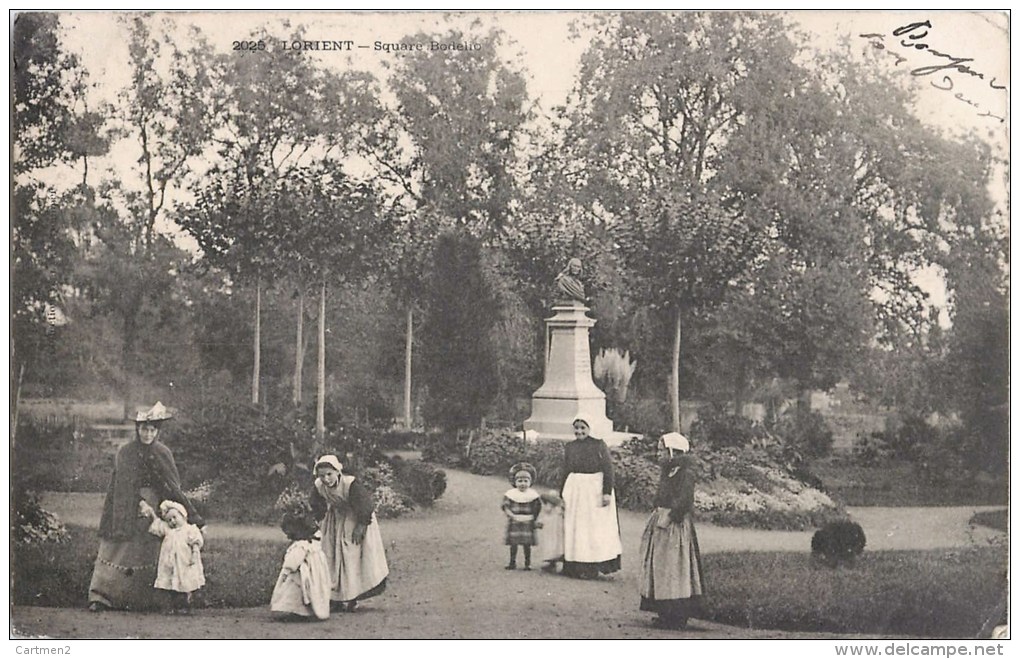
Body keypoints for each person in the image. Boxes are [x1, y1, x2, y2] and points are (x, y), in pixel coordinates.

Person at [87, 402, 205, 612]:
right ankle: (102, 596)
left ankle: (148, 599)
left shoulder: (163, 452)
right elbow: (122, 485)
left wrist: (195, 518)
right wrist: (138, 502)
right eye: (144, 429)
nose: (148, 433)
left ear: (157, 431)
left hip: (156, 507)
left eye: (152, 430)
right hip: (125, 505)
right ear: (137, 430)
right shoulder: (126, 452)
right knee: (118, 547)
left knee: (157, 548)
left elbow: (173, 487)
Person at [638, 432, 705, 630]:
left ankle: (677, 614)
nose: (658, 454)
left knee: (676, 568)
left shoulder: (685, 472)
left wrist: (672, 515)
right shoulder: (668, 470)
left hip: (675, 525)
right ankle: (664, 612)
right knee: (661, 567)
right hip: (661, 521)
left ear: (673, 452)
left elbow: (685, 499)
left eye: (661, 450)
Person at [310, 454, 389, 612]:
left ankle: (352, 597)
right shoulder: (319, 485)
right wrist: (317, 520)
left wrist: (361, 526)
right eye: (322, 475)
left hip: (356, 517)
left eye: (329, 474)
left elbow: (365, 505)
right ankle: (335, 598)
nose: (326, 479)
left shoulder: (350, 484)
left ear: (338, 471)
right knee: (331, 555)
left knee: (351, 555)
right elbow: (316, 503)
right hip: (335, 518)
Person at [558, 416, 622, 579]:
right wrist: (561, 492)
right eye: (576, 428)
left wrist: (606, 492)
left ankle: (592, 566)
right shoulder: (570, 447)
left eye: (583, 428)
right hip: (575, 490)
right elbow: (565, 470)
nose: (579, 431)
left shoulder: (599, 445)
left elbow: (608, 469)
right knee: (576, 527)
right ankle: (574, 565)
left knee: (593, 528)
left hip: (594, 489)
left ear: (590, 428)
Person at [139, 499, 205, 614]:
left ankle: (186, 605)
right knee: (169, 583)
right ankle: (170, 606)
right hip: (170, 563)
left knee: (185, 583)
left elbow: (195, 542)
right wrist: (152, 514)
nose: (172, 521)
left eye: (175, 517)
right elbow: (157, 524)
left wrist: (194, 554)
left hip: (185, 562)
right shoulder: (168, 529)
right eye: (169, 520)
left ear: (183, 516)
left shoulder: (189, 529)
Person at [270, 511, 331, 621]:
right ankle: (311, 610)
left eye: (290, 533)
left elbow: (292, 563)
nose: (289, 537)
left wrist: (286, 571)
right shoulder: (314, 543)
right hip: (316, 572)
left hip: (301, 573)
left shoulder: (301, 546)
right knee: (314, 588)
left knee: (295, 590)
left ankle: (297, 611)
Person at [502, 462, 542, 570]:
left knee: (526, 544)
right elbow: (505, 506)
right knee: (513, 544)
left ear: (530, 482)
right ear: (515, 482)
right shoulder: (511, 494)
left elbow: (538, 507)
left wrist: (534, 519)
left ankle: (527, 563)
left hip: (527, 521)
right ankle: (512, 562)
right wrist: (510, 514)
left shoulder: (533, 495)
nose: (523, 484)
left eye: (526, 481)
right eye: (519, 481)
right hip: (514, 520)